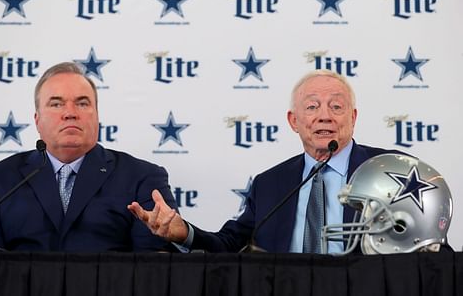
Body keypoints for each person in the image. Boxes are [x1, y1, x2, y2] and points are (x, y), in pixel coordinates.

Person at [128, 69, 408, 254]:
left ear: (353, 118)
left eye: (336, 106)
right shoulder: (270, 184)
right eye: (312, 107)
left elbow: (428, 247)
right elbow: (230, 245)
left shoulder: (391, 171)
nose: (325, 116)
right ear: (294, 121)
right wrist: (184, 232)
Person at [0, 62, 179, 252]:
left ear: (97, 117)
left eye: (82, 103)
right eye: (56, 104)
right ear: (37, 120)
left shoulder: (143, 178)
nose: (70, 113)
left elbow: (153, 269)